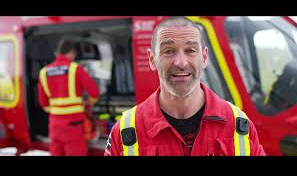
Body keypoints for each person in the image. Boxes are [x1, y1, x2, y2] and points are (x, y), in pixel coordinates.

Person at [104, 17, 265, 156]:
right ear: (152, 59)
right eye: (169, 51)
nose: (181, 62)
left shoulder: (239, 125)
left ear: (204, 57)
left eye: (190, 50)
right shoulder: (125, 132)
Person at [38, 38, 99, 156]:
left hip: (55, 125)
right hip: (73, 125)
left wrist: (58, 111)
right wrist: (88, 104)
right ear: (71, 52)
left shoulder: (44, 72)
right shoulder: (76, 69)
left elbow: (43, 103)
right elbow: (94, 92)